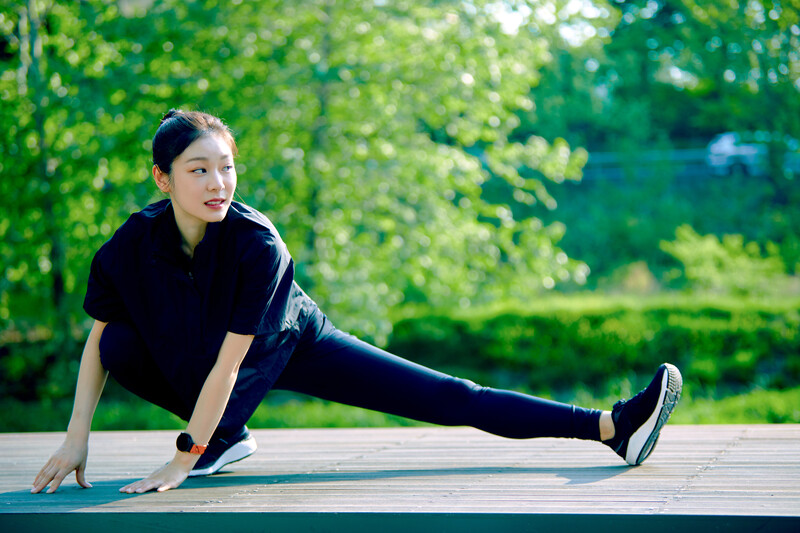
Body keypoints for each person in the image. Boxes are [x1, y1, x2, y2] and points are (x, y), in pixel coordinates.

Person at [31, 110, 682, 495]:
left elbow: (233, 364)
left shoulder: (257, 244)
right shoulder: (130, 244)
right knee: (118, 340)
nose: (217, 182)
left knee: (450, 396)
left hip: (287, 340)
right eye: (199, 169)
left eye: (226, 166)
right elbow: (100, 340)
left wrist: (182, 455)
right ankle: (224, 437)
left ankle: (609, 426)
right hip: (212, 353)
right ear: (162, 177)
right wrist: (76, 436)